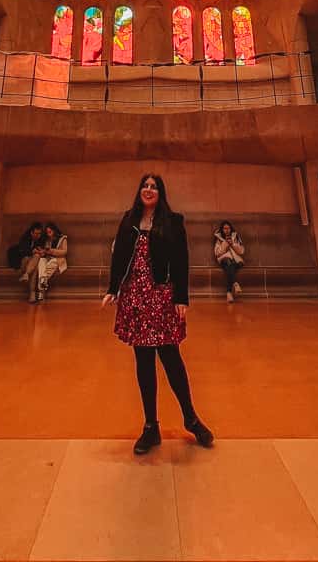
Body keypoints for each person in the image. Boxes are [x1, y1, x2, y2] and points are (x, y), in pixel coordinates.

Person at [102, 173, 214, 456]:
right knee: (143, 360)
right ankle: (151, 427)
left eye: (154, 187)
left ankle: (190, 417)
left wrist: (181, 297)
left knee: (171, 357)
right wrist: (113, 288)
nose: (148, 190)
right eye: (145, 185)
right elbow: (118, 257)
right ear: (139, 190)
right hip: (136, 298)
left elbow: (181, 259)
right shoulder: (129, 219)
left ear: (160, 193)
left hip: (162, 296)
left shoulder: (173, 221)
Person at [35, 222, 68, 301]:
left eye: (50, 232)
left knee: (52, 262)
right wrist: (42, 252)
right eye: (47, 232)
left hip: (58, 260)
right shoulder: (47, 240)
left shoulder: (62, 238)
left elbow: (64, 252)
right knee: (41, 261)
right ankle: (43, 282)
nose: (49, 234)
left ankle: (41, 291)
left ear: (54, 231)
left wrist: (52, 251)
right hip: (48, 259)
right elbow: (46, 252)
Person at [213, 221, 245, 302]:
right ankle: (235, 284)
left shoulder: (236, 237)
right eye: (225, 228)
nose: (227, 230)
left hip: (236, 260)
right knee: (228, 262)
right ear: (222, 230)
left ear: (231, 229)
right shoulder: (218, 239)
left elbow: (241, 251)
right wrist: (226, 244)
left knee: (230, 268)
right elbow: (217, 253)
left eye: (228, 228)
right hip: (225, 259)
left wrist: (233, 244)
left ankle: (229, 292)